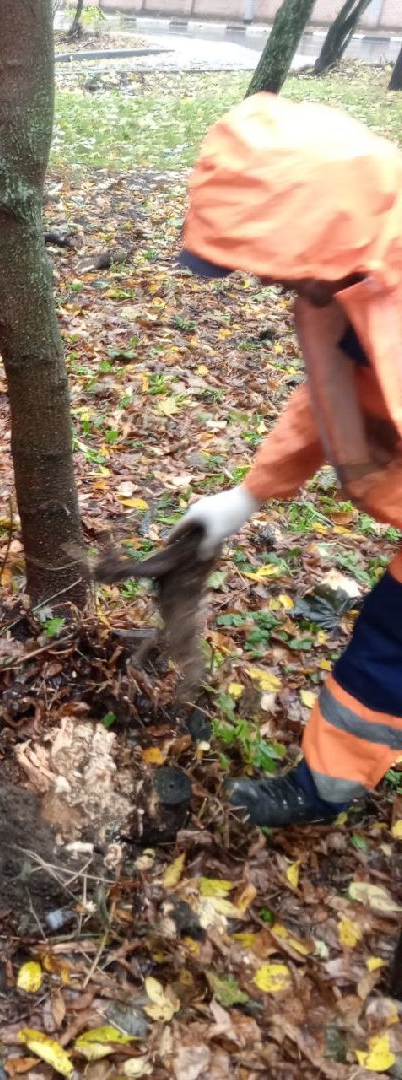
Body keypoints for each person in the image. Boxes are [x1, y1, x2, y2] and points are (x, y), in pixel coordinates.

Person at [173, 93, 402, 827]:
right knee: (389, 640)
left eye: (269, 267)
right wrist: (248, 495)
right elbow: (336, 396)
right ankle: (330, 784)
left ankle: (324, 789)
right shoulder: (339, 282)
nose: (266, 284)